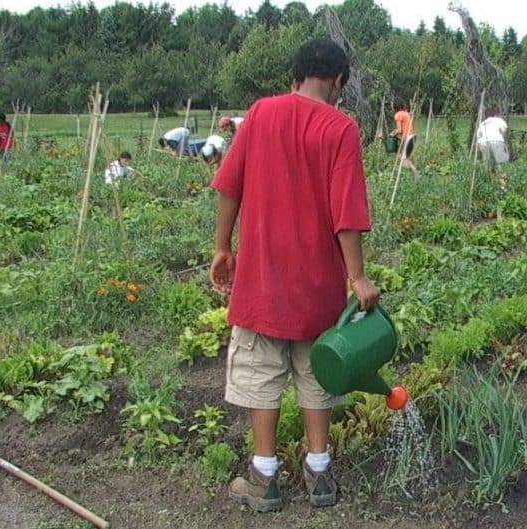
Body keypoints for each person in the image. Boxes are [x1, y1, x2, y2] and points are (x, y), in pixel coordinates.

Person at [209, 38, 380, 513]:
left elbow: (229, 186)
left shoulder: (261, 113)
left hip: (261, 282)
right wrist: (357, 277)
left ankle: (264, 478)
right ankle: (319, 472)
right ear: (338, 82)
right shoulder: (341, 128)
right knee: (316, 373)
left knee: (261, 373)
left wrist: (222, 247)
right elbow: (347, 212)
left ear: (297, 74)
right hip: (317, 288)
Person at [389, 100, 416, 172]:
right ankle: (414, 173)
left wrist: (392, 133)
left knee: (403, 159)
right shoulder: (406, 113)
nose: (391, 106)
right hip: (412, 137)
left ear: (395, 105)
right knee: (404, 157)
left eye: (392, 104)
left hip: (407, 138)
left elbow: (399, 130)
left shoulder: (398, 115)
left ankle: (416, 174)